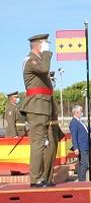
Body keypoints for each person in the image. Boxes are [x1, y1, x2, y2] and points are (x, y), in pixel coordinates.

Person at [21, 33, 55, 187]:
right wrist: (47, 53)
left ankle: (41, 177)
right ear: (39, 45)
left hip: (42, 107)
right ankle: (36, 179)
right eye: (45, 43)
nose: (47, 46)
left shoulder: (37, 61)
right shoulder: (31, 61)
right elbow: (44, 68)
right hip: (36, 107)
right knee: (37, 144)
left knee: (42, 144)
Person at [69, 105, 91, 182]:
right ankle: (81, 182)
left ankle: (81, 182)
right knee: (84, 165)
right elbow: (74, 136)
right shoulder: (74, 123)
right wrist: (76, 148)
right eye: (81, 111)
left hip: (85, 146)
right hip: (81, 147)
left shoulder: (80, 122)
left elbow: (88, 130)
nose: (82, 113)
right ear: (77, 112)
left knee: (83, 165)